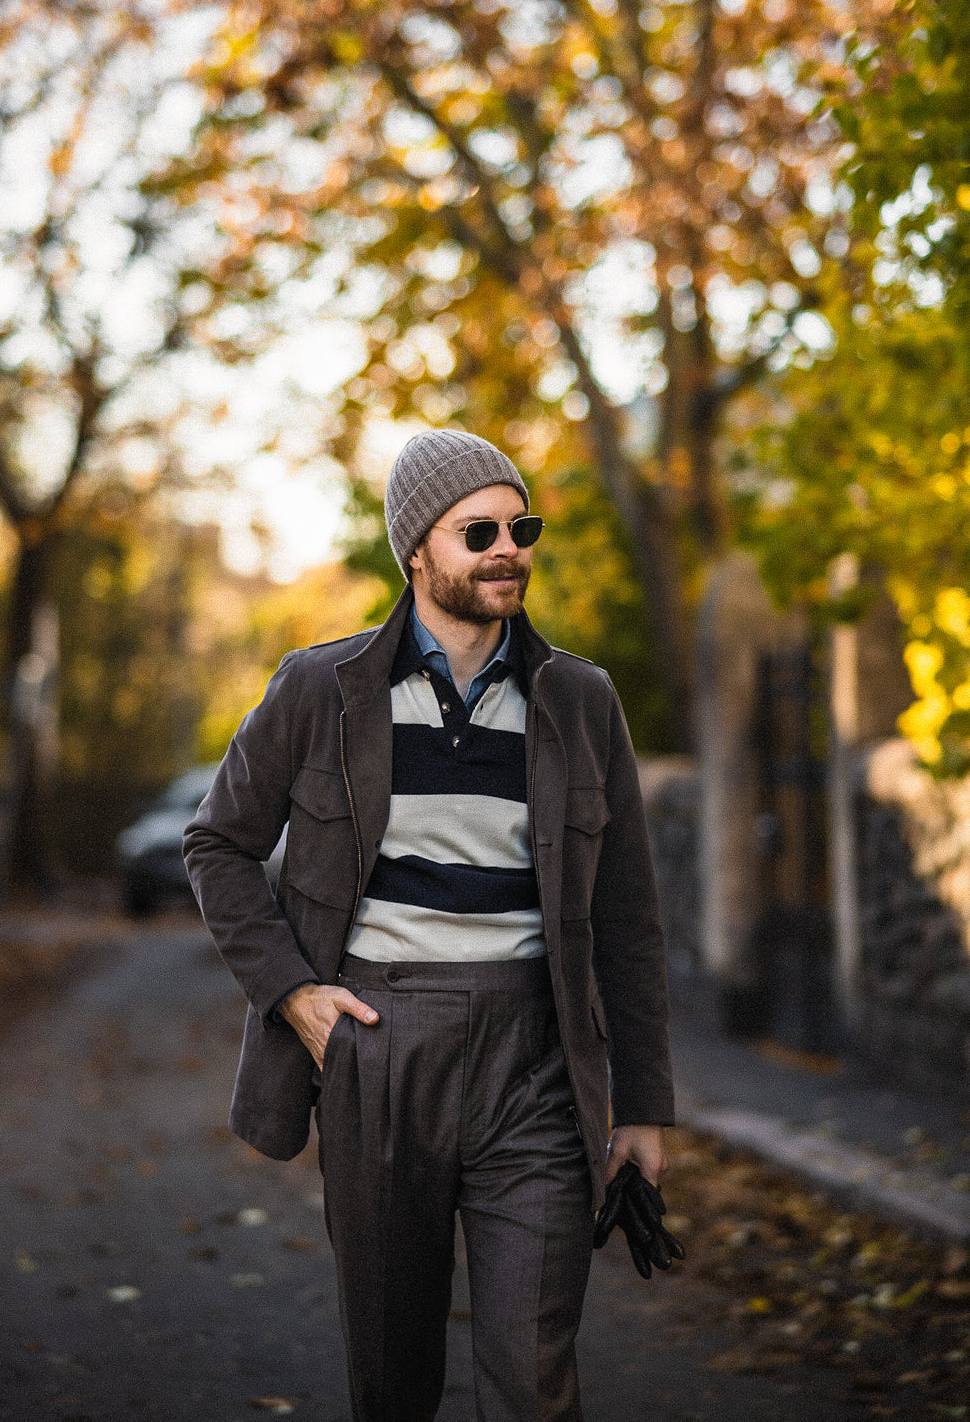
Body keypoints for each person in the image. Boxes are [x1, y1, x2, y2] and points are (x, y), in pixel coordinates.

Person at [184, 428, 675, 1422]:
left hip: (535, 1063)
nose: (508, 547)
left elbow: (625, 914)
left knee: (533, 1369)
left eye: (519, 526)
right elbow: (217, 848)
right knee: (391, 1374)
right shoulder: (319, 690)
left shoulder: (578, 700)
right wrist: (294, 996)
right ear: (415, 550)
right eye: (478, 530)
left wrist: (645, 1104)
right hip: (378, 1047)